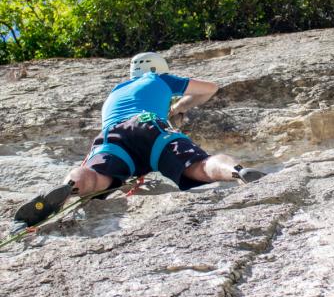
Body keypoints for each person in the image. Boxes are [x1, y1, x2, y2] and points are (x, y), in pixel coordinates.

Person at [13, 52, 265, 229]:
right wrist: (176, 107)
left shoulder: (115, 93)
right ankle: (237, 171)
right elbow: (209, 87)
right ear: (157, 68)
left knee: (97, 177)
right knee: (200, 165)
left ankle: (70, 186)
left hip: (113, 138)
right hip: (151, 126)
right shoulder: (157, 79)